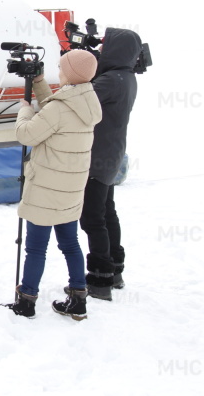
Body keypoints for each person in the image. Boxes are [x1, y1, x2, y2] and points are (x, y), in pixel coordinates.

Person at [6, 49, 102, 320]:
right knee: (71, 244)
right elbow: (56, 108)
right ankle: (78, 299)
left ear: (69, 73)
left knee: (36, 248)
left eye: (61, 68)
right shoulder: (87, 101)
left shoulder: (61, 108)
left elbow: (26, 134)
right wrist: (38, 82)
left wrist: (24, 111)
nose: (58, 72)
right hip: (70, 189)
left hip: (46, 189)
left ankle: (26, 300)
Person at [79, 28, 141, 300]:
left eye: (105, 49)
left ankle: (100, 279)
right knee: (107, 213)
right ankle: (114, 270)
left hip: (96, 160)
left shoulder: (111, 81)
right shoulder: (125, 77)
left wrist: (79, 68)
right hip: (110, 156)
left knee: (93, 219)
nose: (101, 52)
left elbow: (78, 101)